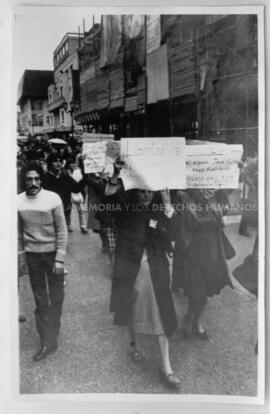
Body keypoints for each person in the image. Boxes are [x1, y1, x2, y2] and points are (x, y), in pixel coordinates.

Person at [106, 175, 180, 389]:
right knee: (132, 304)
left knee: (161, 312)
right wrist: (112, 179)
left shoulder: (159, 210)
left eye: (150, 191)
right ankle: (134, 343)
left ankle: (166, 367)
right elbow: (109, 204)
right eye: (141, 191)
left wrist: (168, 208)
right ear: (134, 192)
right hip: (130, 268)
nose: (146, 195)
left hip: (156, 269)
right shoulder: (126, 210)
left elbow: (174, 233)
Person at [18, 162, 68, 361]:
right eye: (29, 179)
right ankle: (47, 341)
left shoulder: (52, 198)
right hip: (33, 257)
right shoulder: (17, 202)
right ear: (23, 180)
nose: (33, 183)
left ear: (41, 179)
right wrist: (21, 257)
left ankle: (53, 331)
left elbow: (62, 230)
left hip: (53, 255)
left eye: (37, 178)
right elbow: (18, 234)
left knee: (56, 297)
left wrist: (60, 258)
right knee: (40, 299)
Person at [171, 189, 234, 339]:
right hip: (191, 252)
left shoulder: (217, 198)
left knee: (204, 292)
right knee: (197, 292)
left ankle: (194, 320)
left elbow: (225, 211)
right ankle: (190, 320)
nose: (207, 188)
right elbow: (178, 227)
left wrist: (222, 212)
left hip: (212, 253)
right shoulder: (183, 198)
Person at [42, 152, 83, 231]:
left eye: (60, 161)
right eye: (55, 161)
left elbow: (76, 189)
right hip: (51, 212)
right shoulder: (45, 178)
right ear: (50, 163)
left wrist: (85, 173)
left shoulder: (65, 176)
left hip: (65, 210)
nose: (58, 163)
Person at [65, 158, 89, 234]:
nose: (73, 166)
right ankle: (68, 225)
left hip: (77, 192)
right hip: (69, 193)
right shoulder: (65, 172)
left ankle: (83, 226)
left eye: (74, 164)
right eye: (71, 164)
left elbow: (82, 182)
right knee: (68, 210)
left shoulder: (78, 171)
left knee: (81, 211)